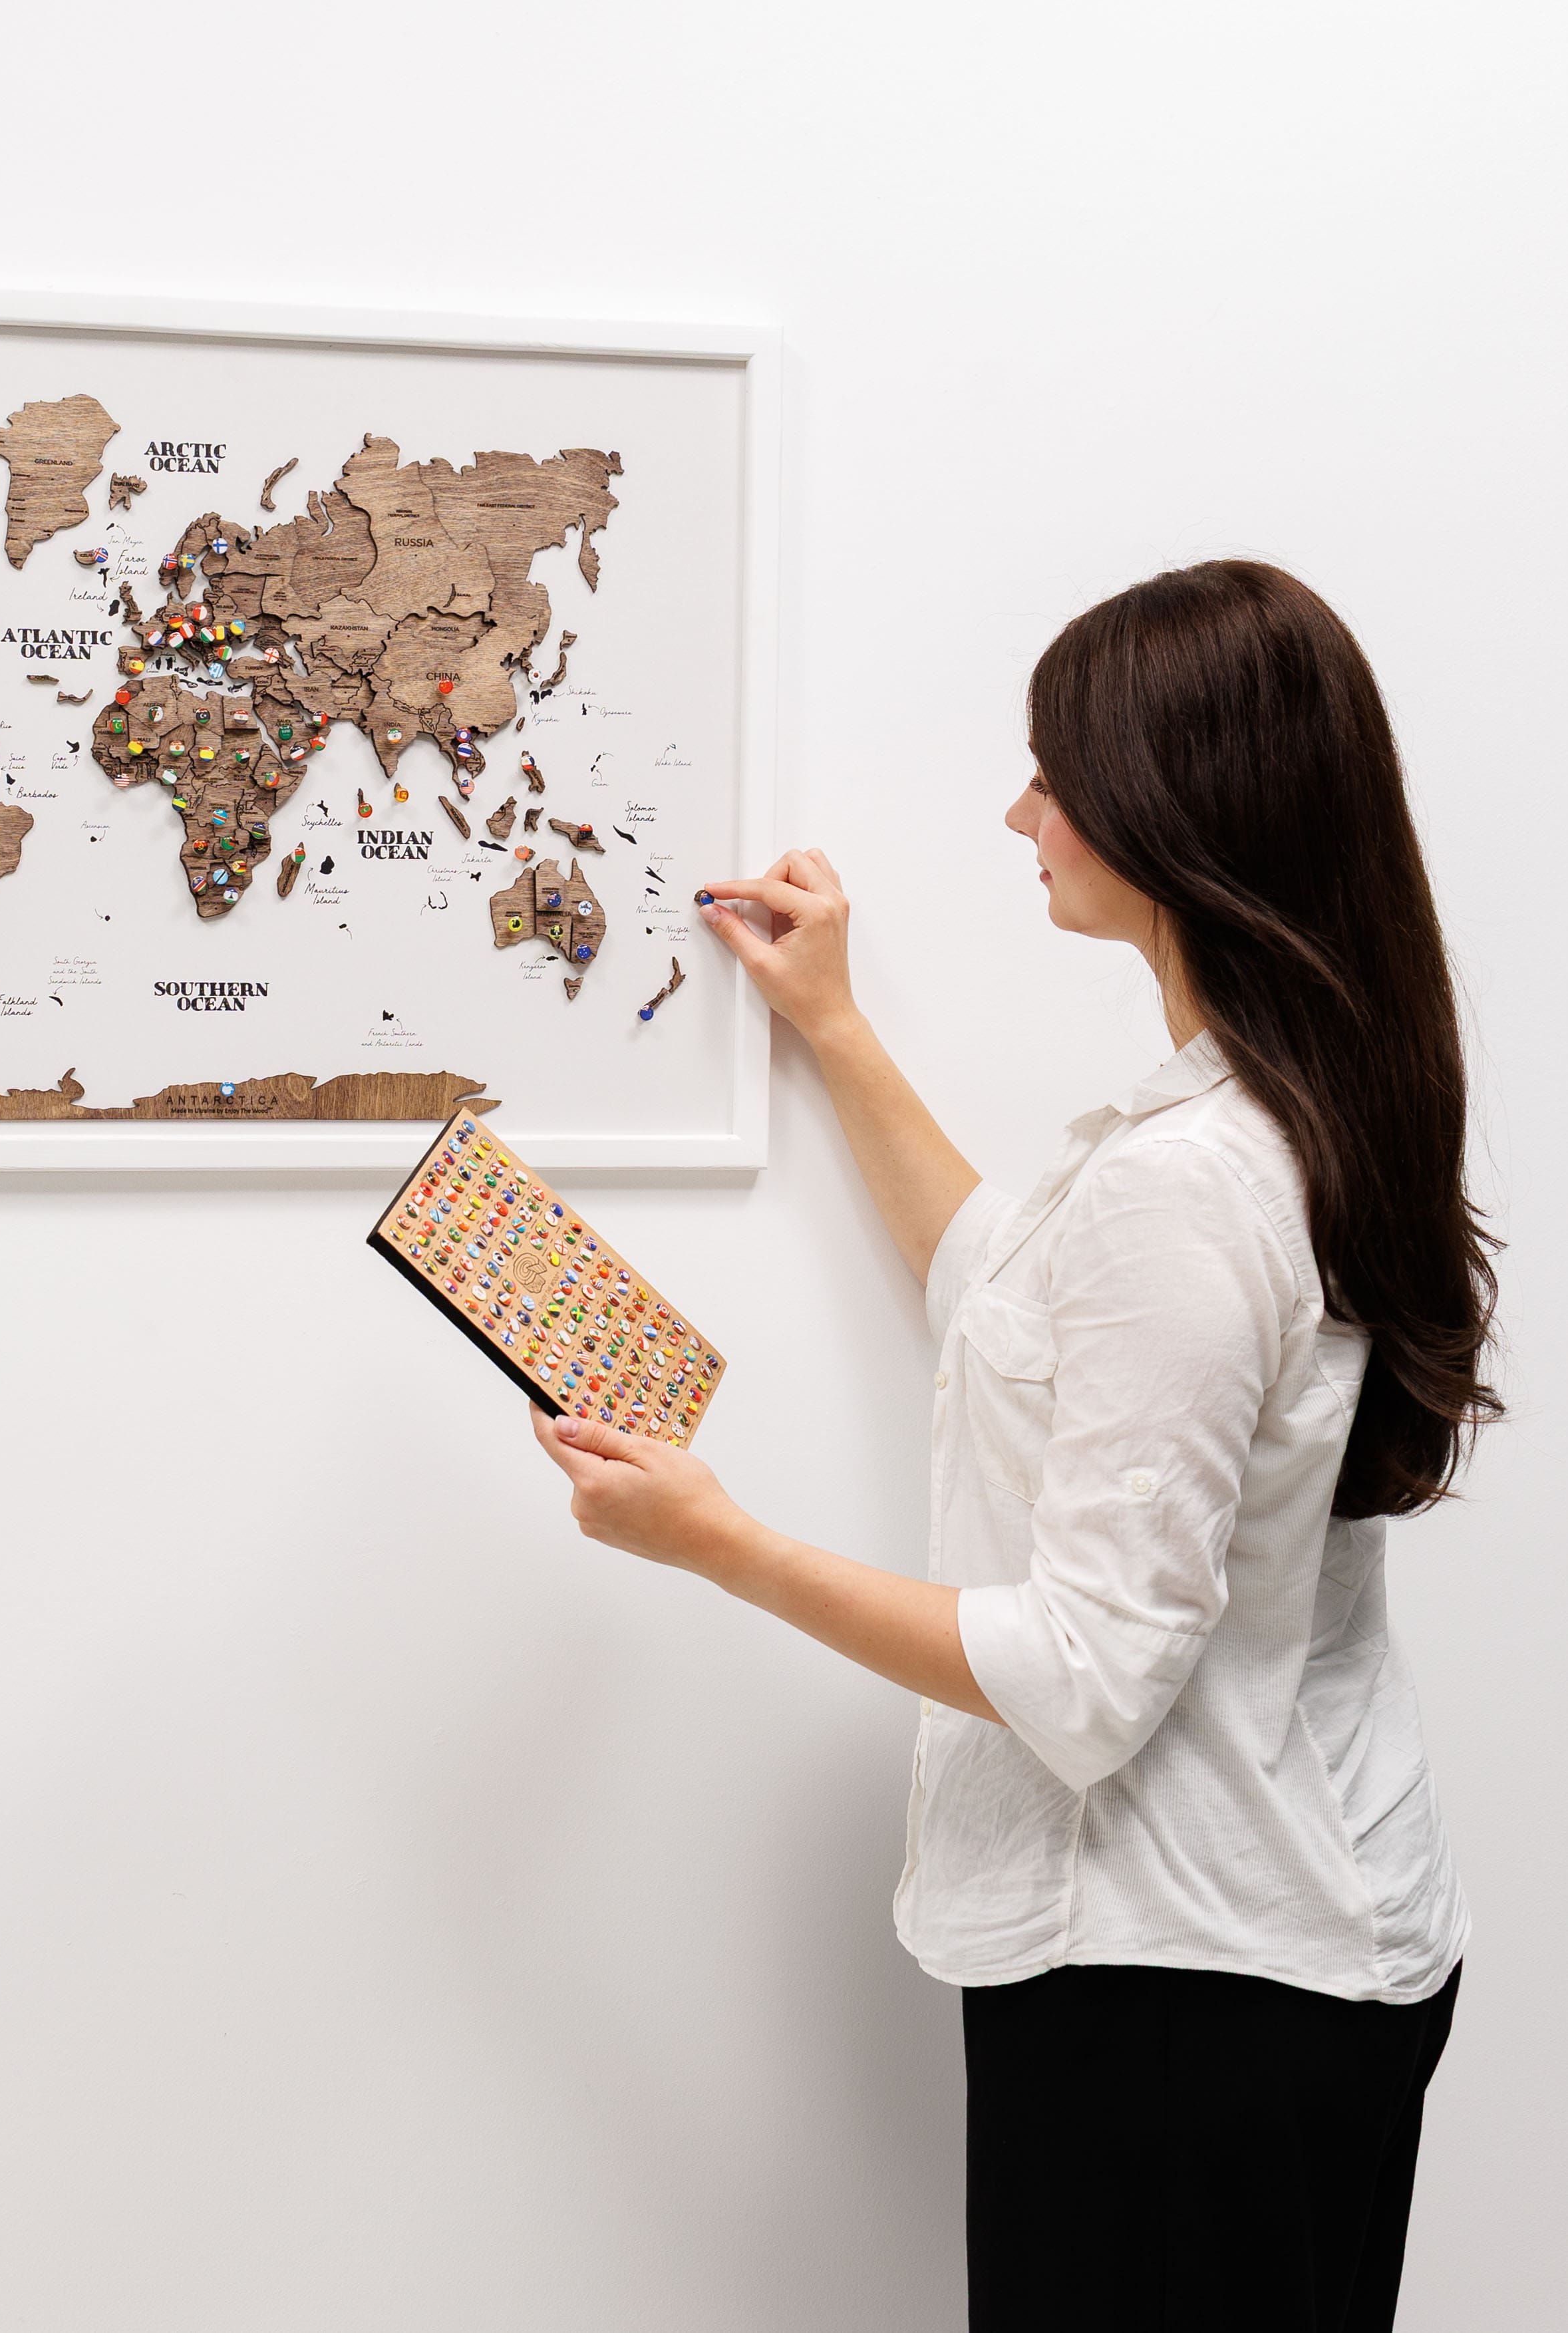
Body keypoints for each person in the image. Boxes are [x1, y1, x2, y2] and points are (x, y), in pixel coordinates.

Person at [531, 561, 1496, 2332]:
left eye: (1055, 773)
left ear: (1176, 811)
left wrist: (718, 1541)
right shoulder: (1299, 1100)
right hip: (1300, 1948)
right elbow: (1025, 1307)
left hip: (1182, 1992)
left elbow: (1080, 1672)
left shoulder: (1190, 1181)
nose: (1017, 810)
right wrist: (829, 1027)